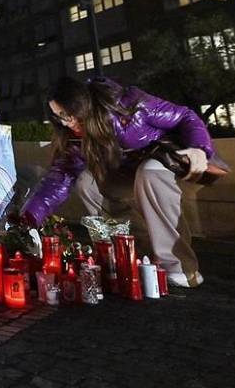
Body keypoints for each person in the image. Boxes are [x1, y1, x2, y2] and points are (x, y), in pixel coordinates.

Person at [21, 76, 216, 287]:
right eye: (59, 117)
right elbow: (58, 180)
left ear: (82, 104)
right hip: (126, 173)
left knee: (149, 172)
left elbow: (185, 116)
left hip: (166, 164)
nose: (66, 122)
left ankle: (181, 267)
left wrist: (199, 147)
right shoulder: (74, 138)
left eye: (68, 114)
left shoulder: (130, 104)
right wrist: (27, 220)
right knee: (88, 182)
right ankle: (132, 255)